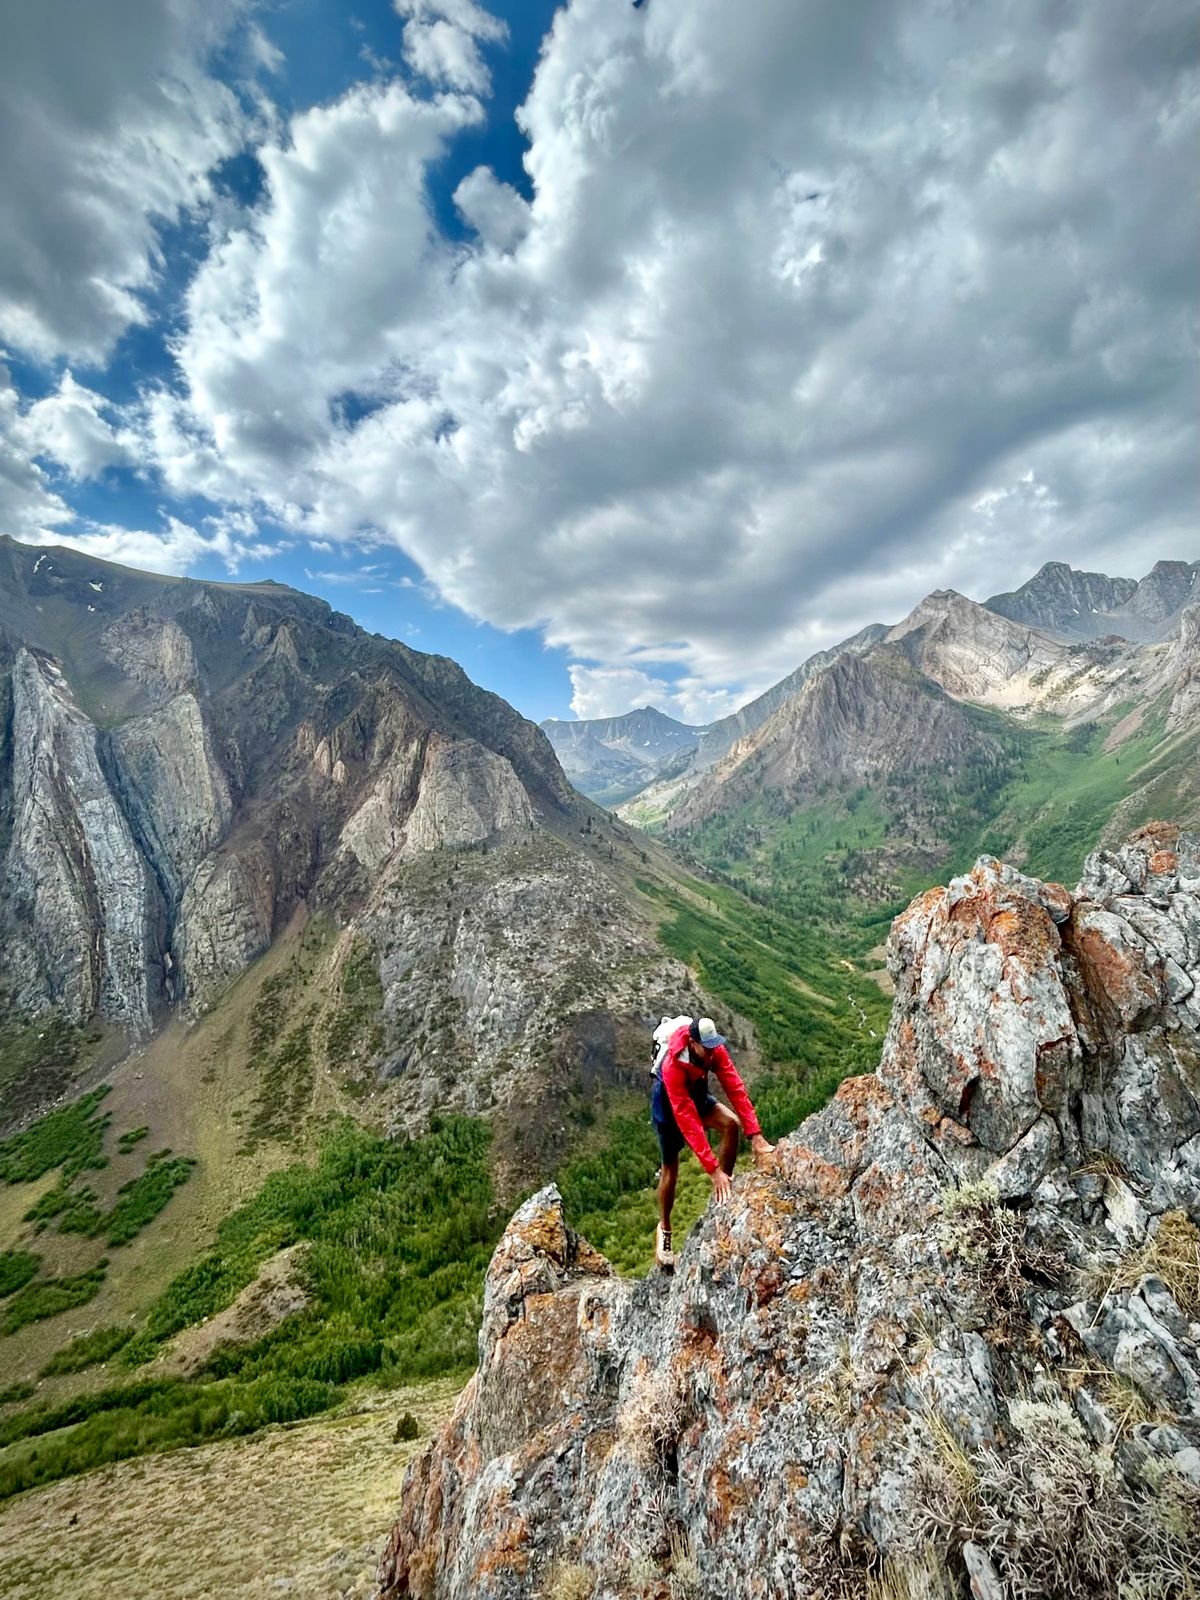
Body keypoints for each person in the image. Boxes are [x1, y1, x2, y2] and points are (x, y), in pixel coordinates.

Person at [651, 1016, 775, 1269]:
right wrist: (712, 1168)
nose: (711, 1053)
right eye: (705, 1048)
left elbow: (734, 1086)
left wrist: (756, 1134)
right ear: (692, 1043)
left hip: (695, 1094)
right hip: (667, 1107)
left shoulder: (714, 1050)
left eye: (713, 1047)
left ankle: (723, 1193)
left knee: (731, 1124)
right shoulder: (673, 1064)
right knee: (670, 1171)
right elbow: (687, 1119)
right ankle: (664, 1230)